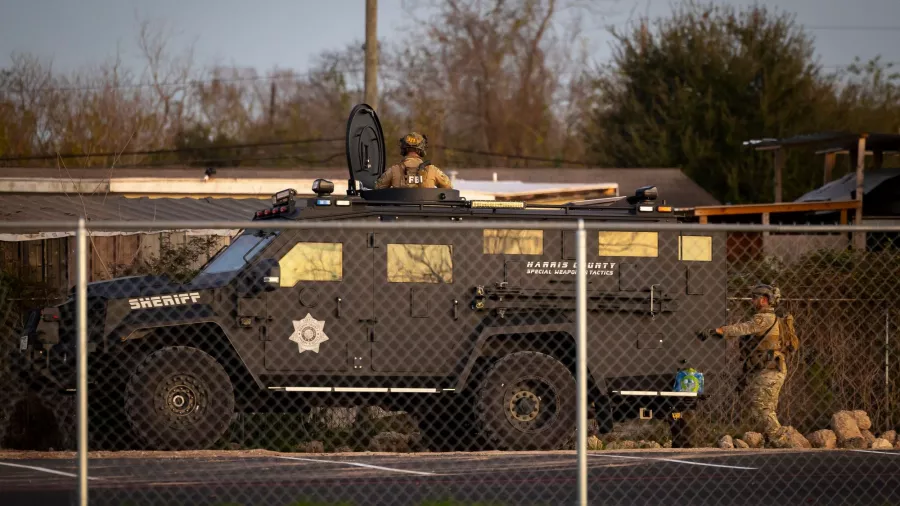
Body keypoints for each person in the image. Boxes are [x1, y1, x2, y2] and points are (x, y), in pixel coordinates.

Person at [701, 284, 789, 445]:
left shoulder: (764, 318)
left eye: (755, 297)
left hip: (769, 368)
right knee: (763, 406)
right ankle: (774, 440)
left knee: (761, 407)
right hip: (767, 368)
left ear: (763, 300)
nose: (752, 300)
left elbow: (744, 328)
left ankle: (781, 440)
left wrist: (720, 330)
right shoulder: (769, 318)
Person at [374, 132, 453, 189]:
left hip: (400, 212)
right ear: (422, 149)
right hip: (427, 211)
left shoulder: (393, 170)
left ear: (403, 149)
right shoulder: (433, 170)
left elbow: (377, 188)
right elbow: (449, 187)